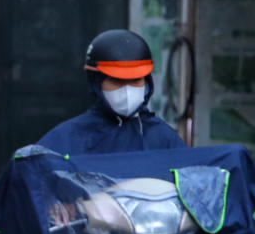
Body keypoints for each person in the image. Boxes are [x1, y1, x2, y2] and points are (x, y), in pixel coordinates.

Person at [37, 28, 186, 155]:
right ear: (96, 82)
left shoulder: (164, 139)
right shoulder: (66, 140)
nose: (127, 90)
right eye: (117, 81)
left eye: (136, 80)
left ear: (147, 82)